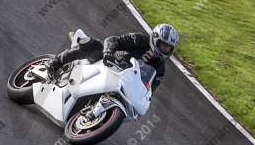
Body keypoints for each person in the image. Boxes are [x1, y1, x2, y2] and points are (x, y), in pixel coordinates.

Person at [47, 23, 179, 94]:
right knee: (95, 45)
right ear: (155, 38)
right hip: (108, 63)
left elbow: (149, 90)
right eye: (163, 45)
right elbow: (113, 40)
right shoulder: (140, 39)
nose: (164, 49)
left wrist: (144, 95)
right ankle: (56, 62)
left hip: (123, 83)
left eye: (168, 48)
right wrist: (109, 52)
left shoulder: (160, 68)